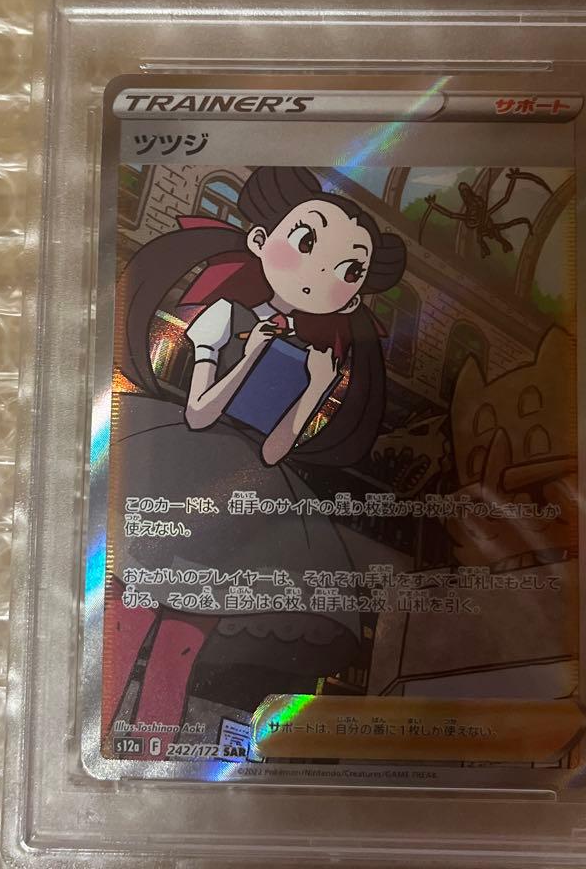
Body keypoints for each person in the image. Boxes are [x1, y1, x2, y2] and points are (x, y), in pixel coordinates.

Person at [103, 167, 407, 748]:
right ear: (261, 241)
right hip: (179, 470)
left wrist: (317, 388)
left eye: (349, 270)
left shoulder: (316, 355)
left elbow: (273, 451)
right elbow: (200, 413)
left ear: (354, 294)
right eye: (307, 241)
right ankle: (98, 741)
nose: (323, 273)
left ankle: (153, 757)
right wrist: (249, 356)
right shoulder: (223, 316)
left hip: (244, 496)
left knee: (181, 649)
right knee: (126, 621)